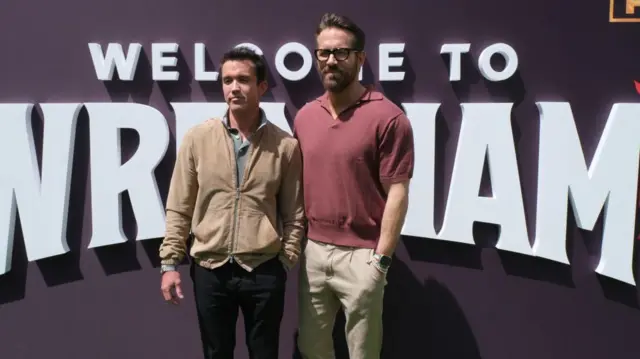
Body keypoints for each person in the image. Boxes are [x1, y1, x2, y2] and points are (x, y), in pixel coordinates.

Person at [158, 46, 306, 359]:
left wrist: (286, 260)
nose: (233, 87)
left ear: (261, 87)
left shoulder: (285, 147)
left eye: (243, 79)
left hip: (264, 269)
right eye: (227, 80)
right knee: (216, 353)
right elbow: (179, 206)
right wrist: (170, 263)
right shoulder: (198, 138)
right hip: (210, 269)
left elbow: (294, 213)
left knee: (264, 353)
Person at [293, 13, 415, 359]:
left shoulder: (389, 118)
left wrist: (381, 262)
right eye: (323, 53)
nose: (331, 60)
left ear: (360, 58)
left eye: (341, 53)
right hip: (314, 254)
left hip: (363, 256)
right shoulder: (305, 117)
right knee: (312, 350)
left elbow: (398, 192)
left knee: (363, 353)